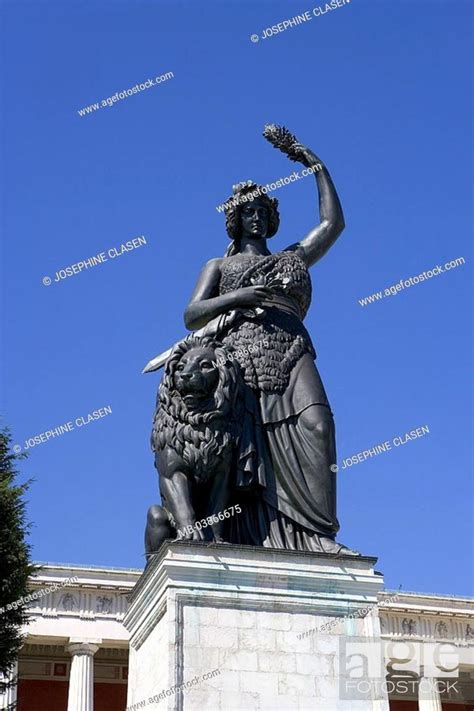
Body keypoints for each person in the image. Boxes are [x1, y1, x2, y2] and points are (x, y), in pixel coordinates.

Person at [184, 142, 357, 555]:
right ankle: (252, 532)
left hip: (293, 348)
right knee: (248, 448)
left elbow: (333, 224)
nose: (256, 217)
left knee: (318, 424)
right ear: (236, 220)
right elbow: (193, 314)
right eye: (248, 212)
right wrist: (239, 298)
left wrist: (316, 165)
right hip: (241, 356)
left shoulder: (292, 257)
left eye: (262, 211)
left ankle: (317, 534)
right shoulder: (220, 267)